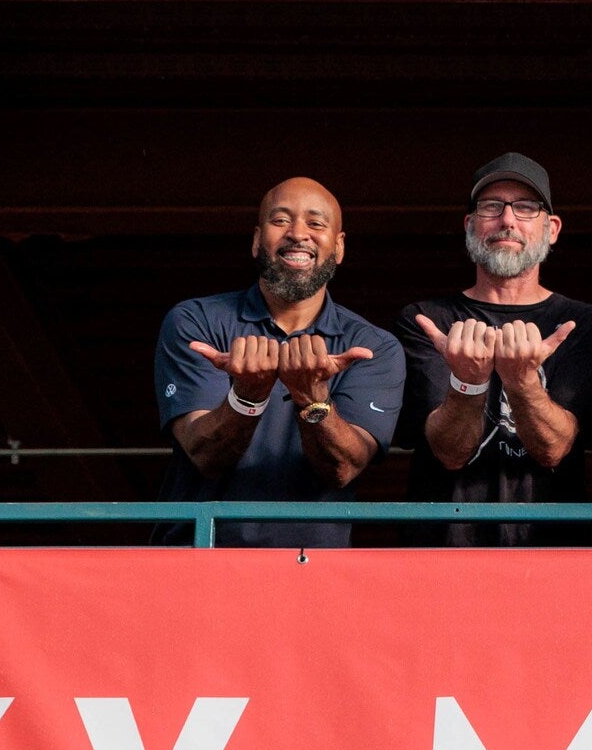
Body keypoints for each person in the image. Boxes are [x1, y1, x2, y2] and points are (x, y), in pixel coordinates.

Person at [152, 176, 405, 546]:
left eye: (316, 223)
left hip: (311, 571)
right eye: (280, 220)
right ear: (257, 240)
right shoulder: (196, 322)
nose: (298, 234)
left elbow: (342, 468)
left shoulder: (373, 346)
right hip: (197, 554)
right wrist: (248, 397)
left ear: (338, 247)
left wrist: (312, 397)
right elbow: (204, 454)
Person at [394, 153, 592, 544]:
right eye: (491, 206)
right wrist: (468, 382)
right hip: (442, 551)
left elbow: (554, 450)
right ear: (470, 225)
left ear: (552, 228)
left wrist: (521, 382)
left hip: (552, 555)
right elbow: (449, 452)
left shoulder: (588, 326)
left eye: (526, 207)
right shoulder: (425, 320)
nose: (507, 220)